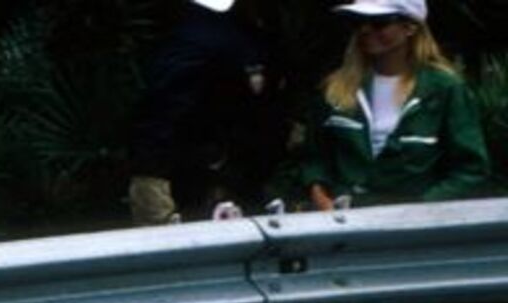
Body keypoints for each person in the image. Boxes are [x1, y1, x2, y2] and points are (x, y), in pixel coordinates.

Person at [300, 0, 491, 210]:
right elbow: (314, 159)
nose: (365, 29)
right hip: (342, 222)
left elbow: (471, 169)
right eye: (358, 22)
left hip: (415, 230)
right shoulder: (335, 87)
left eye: (379, 22)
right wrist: (320, 196)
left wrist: (421, 209)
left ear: (410, 27)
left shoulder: (446, 88)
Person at [128, 0, 290, 226]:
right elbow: (162, 110)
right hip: (194, 177)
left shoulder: (250, 34)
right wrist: (151, 176)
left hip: (239, 177)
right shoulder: (199, 35)